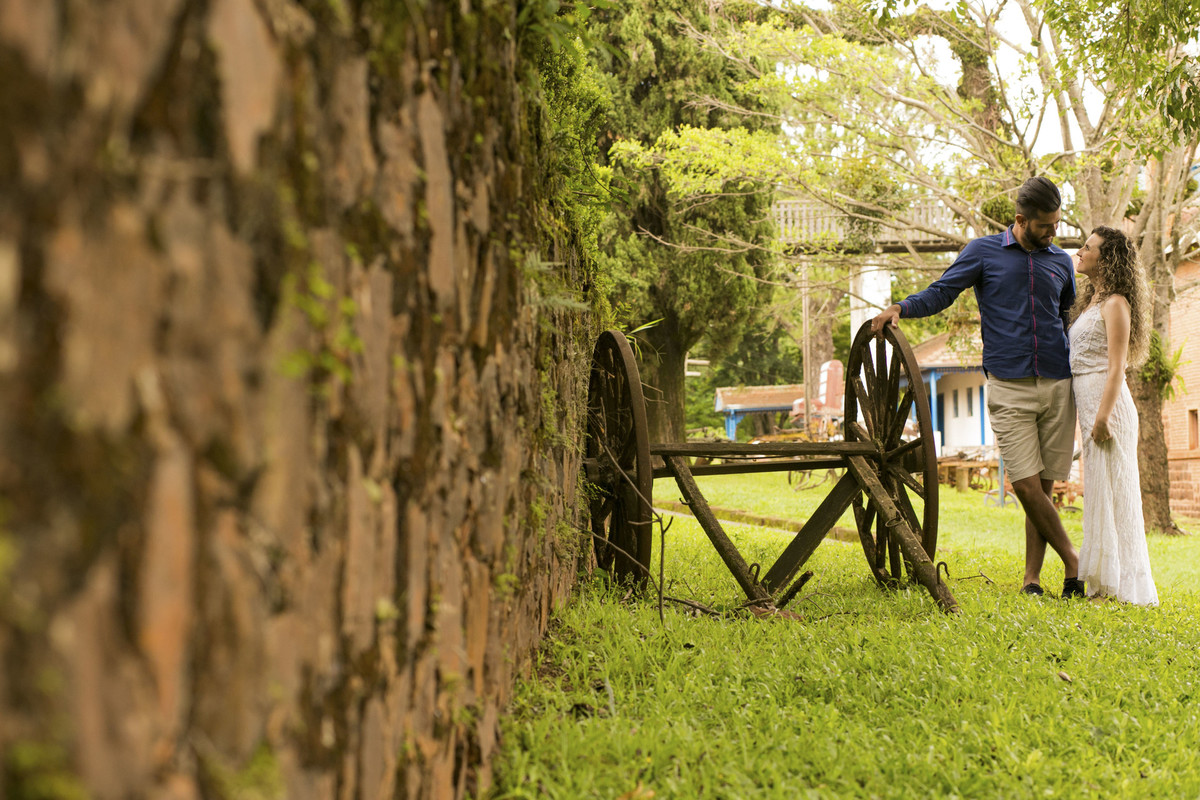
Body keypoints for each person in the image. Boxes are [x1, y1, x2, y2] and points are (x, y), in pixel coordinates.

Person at [871, 176, 1084, 598]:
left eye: (1057, 223)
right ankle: (1075, 561)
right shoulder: (983, 252)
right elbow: (943, 292)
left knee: (1042, 488)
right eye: (1046, 225)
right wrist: (902, 307)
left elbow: (1065, 317)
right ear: (1021, 220)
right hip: (1008, 384)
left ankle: (1032, 580)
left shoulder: (1060, 261)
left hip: (1059, 383)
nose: (1054, 232)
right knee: (1024, 482)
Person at [1068, 226, 1158, 605]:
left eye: (1088, 248)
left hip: (1110, 410)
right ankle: (1103, 584)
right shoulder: (1090, 301)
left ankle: (1122, 587)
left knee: (1117, 493)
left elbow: (1117, 368)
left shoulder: (1116, 303)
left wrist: (1102, 417)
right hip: (1089, 407)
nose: (1081, 251)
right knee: (1100, 493)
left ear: (1106, 260)